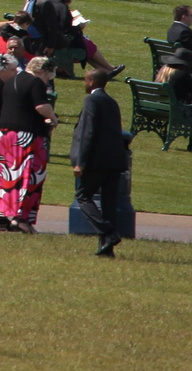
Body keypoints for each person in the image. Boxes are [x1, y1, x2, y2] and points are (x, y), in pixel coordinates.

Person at [70, 64, 131, 256]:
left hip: (97, 160)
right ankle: (106, 248)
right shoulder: (111, 101)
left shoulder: (91, 101)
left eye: (85, 79)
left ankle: (109, 233)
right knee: (109, 204)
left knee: (83, 197)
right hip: (114, 159)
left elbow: (88, 132)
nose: (84, 83)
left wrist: (81, 161)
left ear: (92, 82)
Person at [0, 55, 57, 231]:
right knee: (29, 176)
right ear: (42, 71)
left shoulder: (12, 80)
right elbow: (40, 106)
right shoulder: (35, 82)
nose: (47, 82)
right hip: (25, 135)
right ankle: (22, 219)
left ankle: (7, 214)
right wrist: (52, 116)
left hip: (5, 134)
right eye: (48, 77)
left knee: (9, 176)